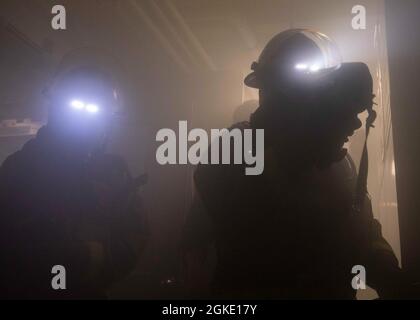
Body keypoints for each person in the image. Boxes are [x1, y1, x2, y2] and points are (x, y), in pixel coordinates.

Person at [183, 29, 407, 299]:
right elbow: (196, 251)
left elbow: (363, 233)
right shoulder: (233, 155)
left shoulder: (339, 166)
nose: (353, 123)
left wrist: (390, 275)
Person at [0, 64, 147, 299]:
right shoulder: (23, 166)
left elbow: (133, 234)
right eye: (79, 107)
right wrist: (76, 255)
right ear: (57, 108)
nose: (87, 119)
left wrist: (98, 256)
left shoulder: (112, 171)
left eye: (97, 111)